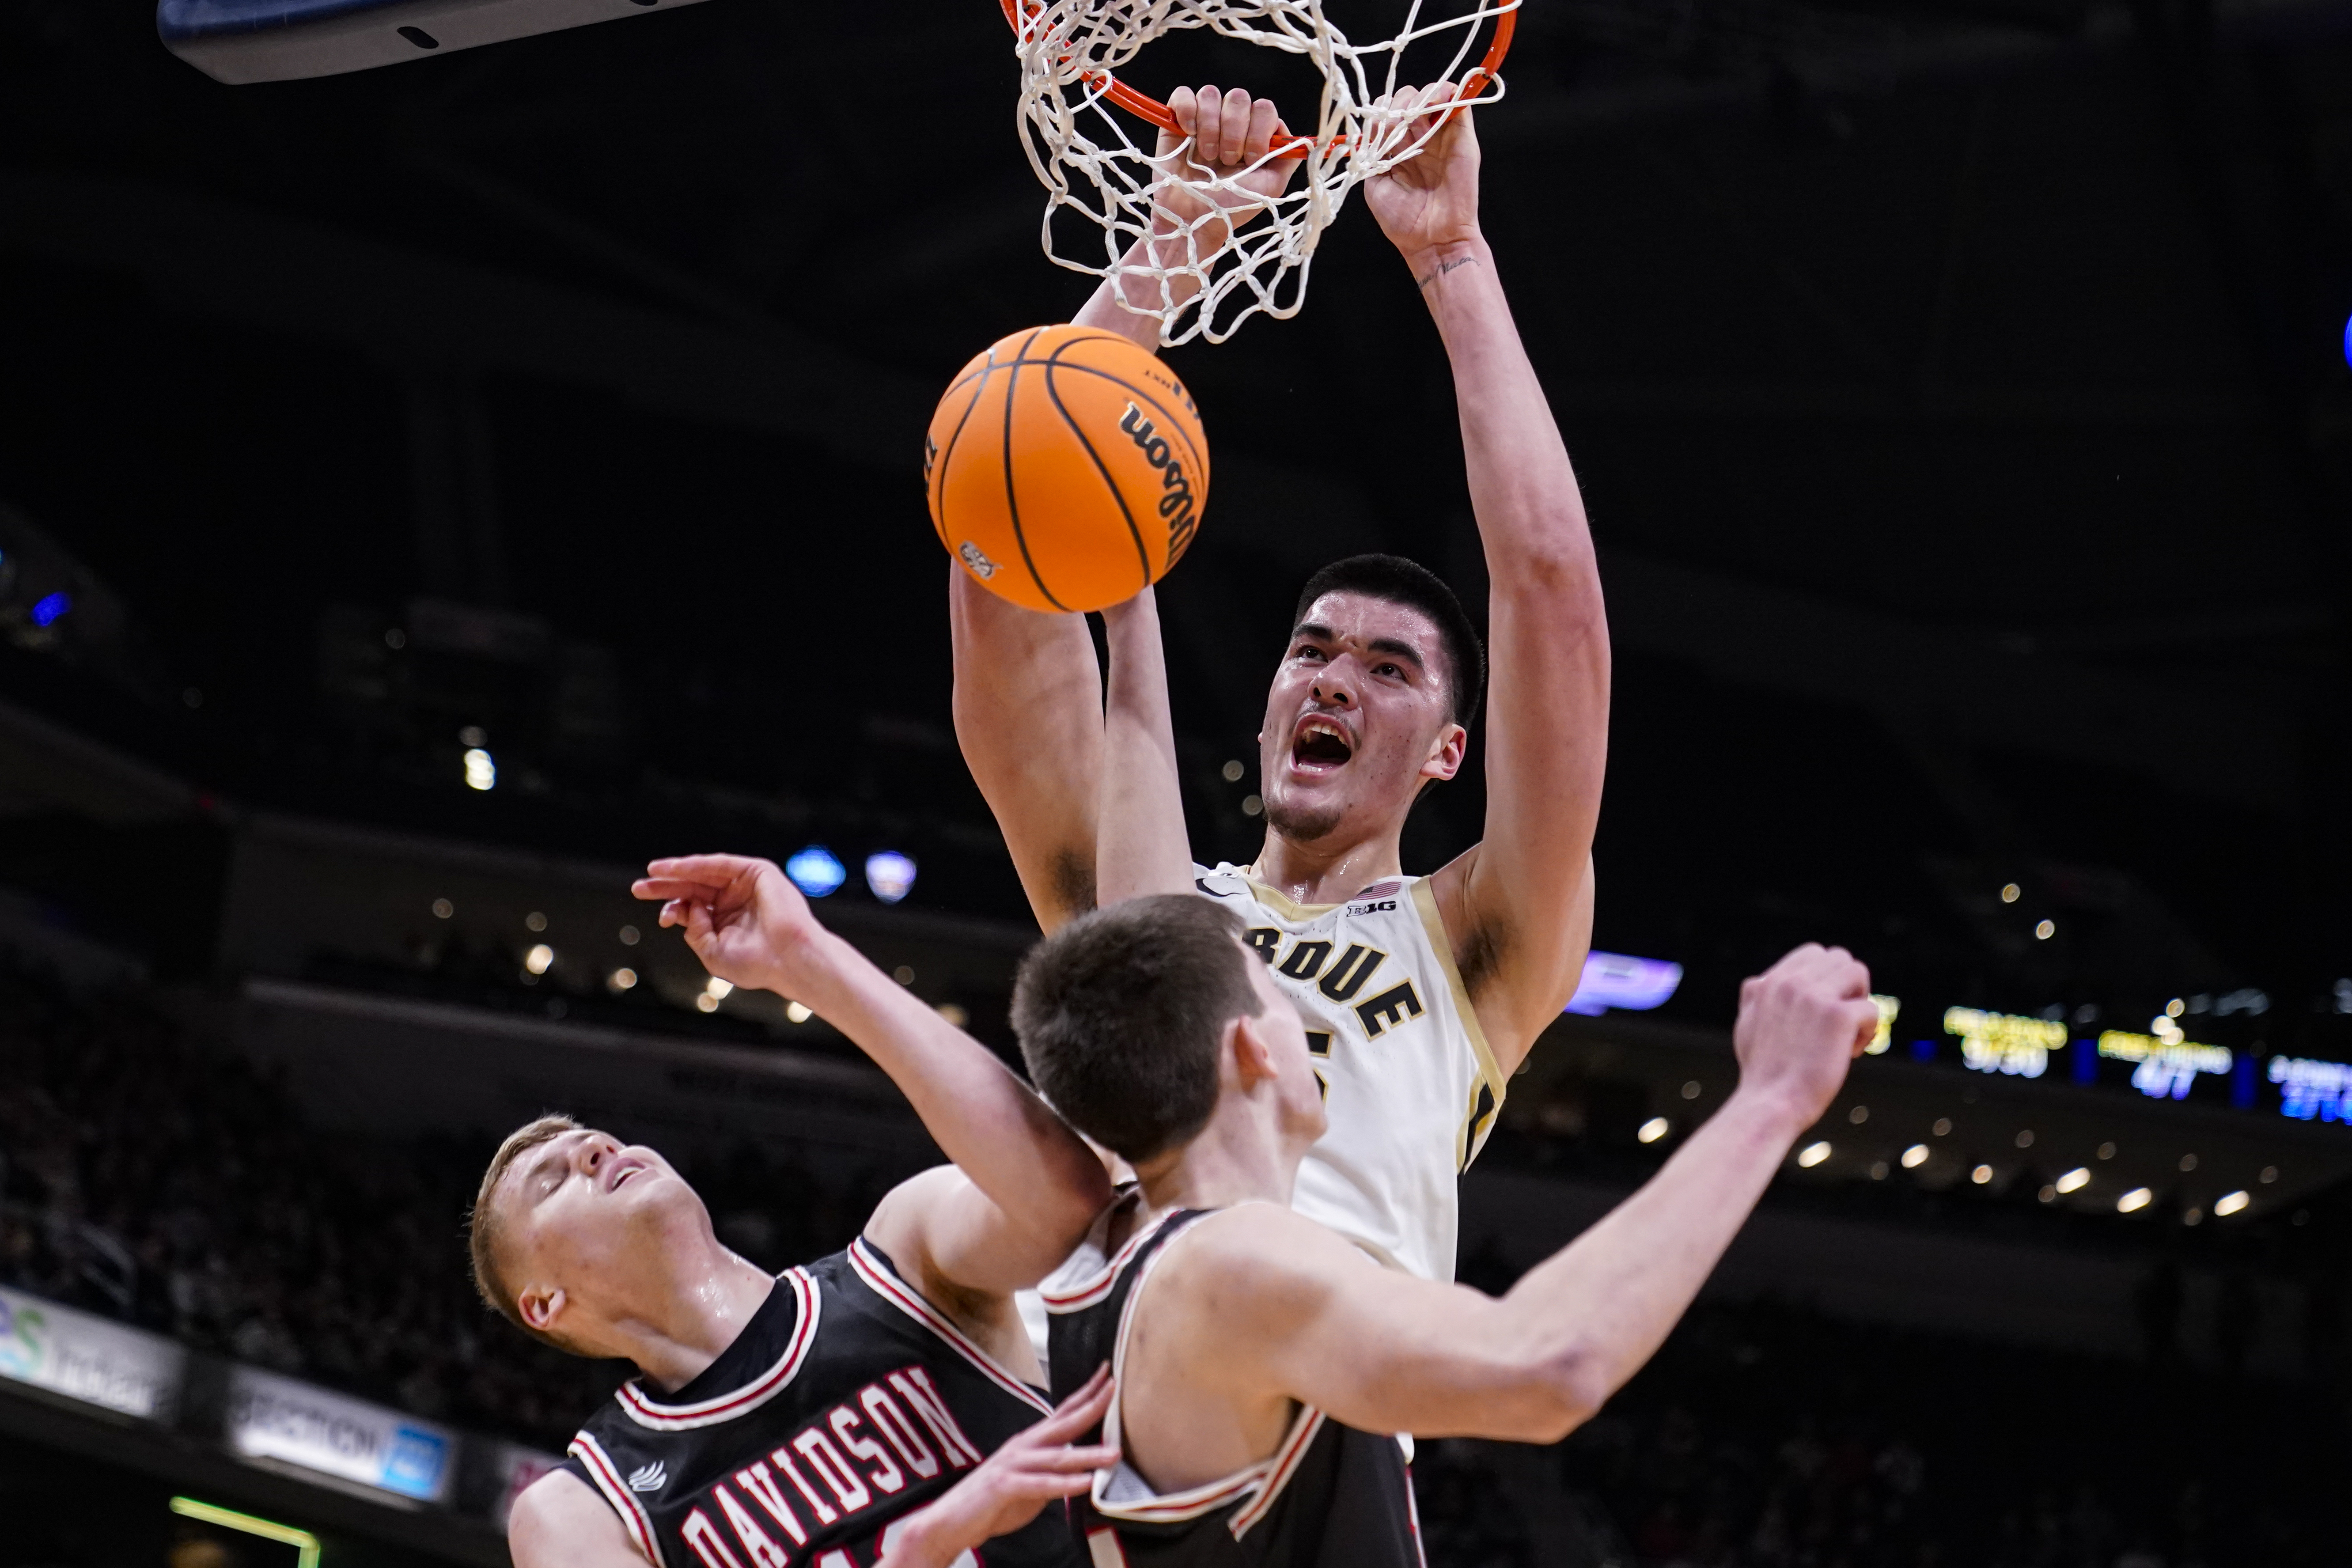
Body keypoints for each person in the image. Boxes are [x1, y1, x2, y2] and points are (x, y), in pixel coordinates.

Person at [952, 83, 1609, 1284]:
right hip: (1098, 1397)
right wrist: (1175, 240)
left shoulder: (1474, 936)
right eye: (1310, 651)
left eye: (1387, 667)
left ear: (1446, 752)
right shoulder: (1138, 892)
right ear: (1264, 705)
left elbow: (1553, 592)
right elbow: (1003, 559)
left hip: (1325, 1413)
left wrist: (1452, 257)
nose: (1335, 681)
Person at [1010, 895, 1879, 1565]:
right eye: (1283, 995)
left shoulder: (1102, 1250)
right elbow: (1549, 1362)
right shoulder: (1227, 1260)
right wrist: (1771, 1096)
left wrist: (1132, 653)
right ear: (1253, 1048)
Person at [489, 854, 1117, 1568]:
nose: (595, 1149)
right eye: (552, 1179)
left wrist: (805, 959)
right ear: (542, 1302)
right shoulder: (581, 1509)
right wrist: (920, 1550)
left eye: (593, 1140)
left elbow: (1066, 1196)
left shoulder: (901, 1259)